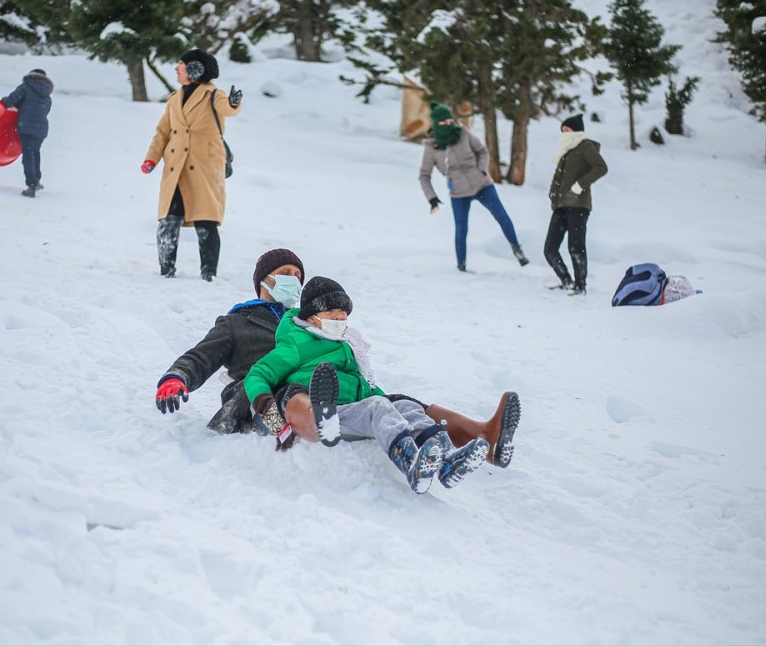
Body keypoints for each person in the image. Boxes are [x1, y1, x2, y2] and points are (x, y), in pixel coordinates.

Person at [154, 248, 520, 468]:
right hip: (266, 398)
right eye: (285, 274)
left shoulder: (312, 321)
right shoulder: (239, 322)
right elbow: (201, 356)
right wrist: (177, 377)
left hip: (324, 388)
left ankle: (483, 437)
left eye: (298, 275)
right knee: (294, 392)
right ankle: (319, 422)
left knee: (398, 402)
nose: (294, 280)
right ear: (263, 282)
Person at [243, 276, 490, 494]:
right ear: (312, 317)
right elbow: (258, 373)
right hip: (327, 410)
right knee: (377, 408)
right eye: (331, 312)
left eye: (344, 313)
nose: (340, 317)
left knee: (406, 406)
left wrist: (393, 402)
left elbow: (366, 387)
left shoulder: (347, 345)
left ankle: (447, 460)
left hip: (353, 408)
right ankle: (410, 462)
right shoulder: (297, 343)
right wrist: (265, 404)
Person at [141, 49, 242, 282]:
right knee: (169, 219)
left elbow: (227, 108)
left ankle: (209, 274)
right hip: (176, 168)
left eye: (180, 65)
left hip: (204, 169)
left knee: (206, 222)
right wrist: (151, 159)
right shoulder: (174, 99)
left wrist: (234, 102)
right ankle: (166, 271)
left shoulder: (213, 94)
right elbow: (162, 132)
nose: (176, 68)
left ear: (195, 69)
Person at [419, 102, 528, 272]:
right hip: (459, 193)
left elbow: (482, 152)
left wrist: (482, 170)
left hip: (482, 185)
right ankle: (461, 266)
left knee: (501, 216)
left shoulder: (463, 133)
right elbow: (424, 176)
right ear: (436, 124)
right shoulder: (432, 147)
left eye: (450, 121)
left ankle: (516, 248)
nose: (448, 125)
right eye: (444, 122)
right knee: (461, 229)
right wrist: (431, 197)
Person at [544, 114, 608, 295]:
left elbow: (601, 167)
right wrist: (552, 195)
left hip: (578, 205)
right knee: (550, 249)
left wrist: (580, 185)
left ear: (576, 130)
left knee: (575, 247)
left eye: (567, 129)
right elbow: (558, 178)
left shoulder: (585, 146)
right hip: (561, 206)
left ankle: (580, 286)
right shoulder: (566, 150)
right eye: (562, 130)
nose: (564, 133)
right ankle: (566, 281)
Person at [1, 69, 53, 198]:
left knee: (28, 155)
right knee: (35, 152)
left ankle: (31, 185)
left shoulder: (25, 87)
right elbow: (45, 111)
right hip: (41, 128)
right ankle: (36, 180)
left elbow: (10, 101)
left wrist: (4, 101)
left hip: (27, 126)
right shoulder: (47, 96)